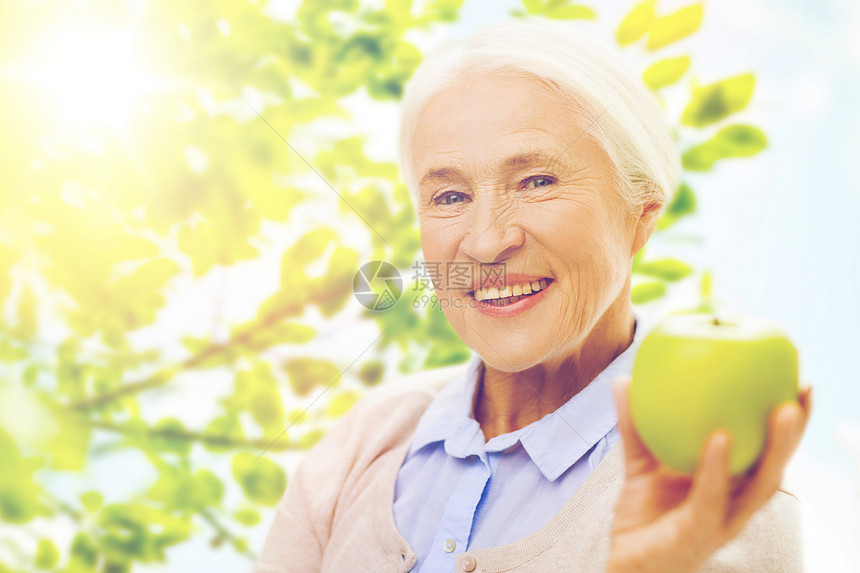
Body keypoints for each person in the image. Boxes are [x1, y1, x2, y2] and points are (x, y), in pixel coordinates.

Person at [253, 18, 812, 573]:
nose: (488, 241)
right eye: (449, 195)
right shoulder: (361, 444)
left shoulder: (714, 503)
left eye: (536, 182)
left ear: (641, 213)